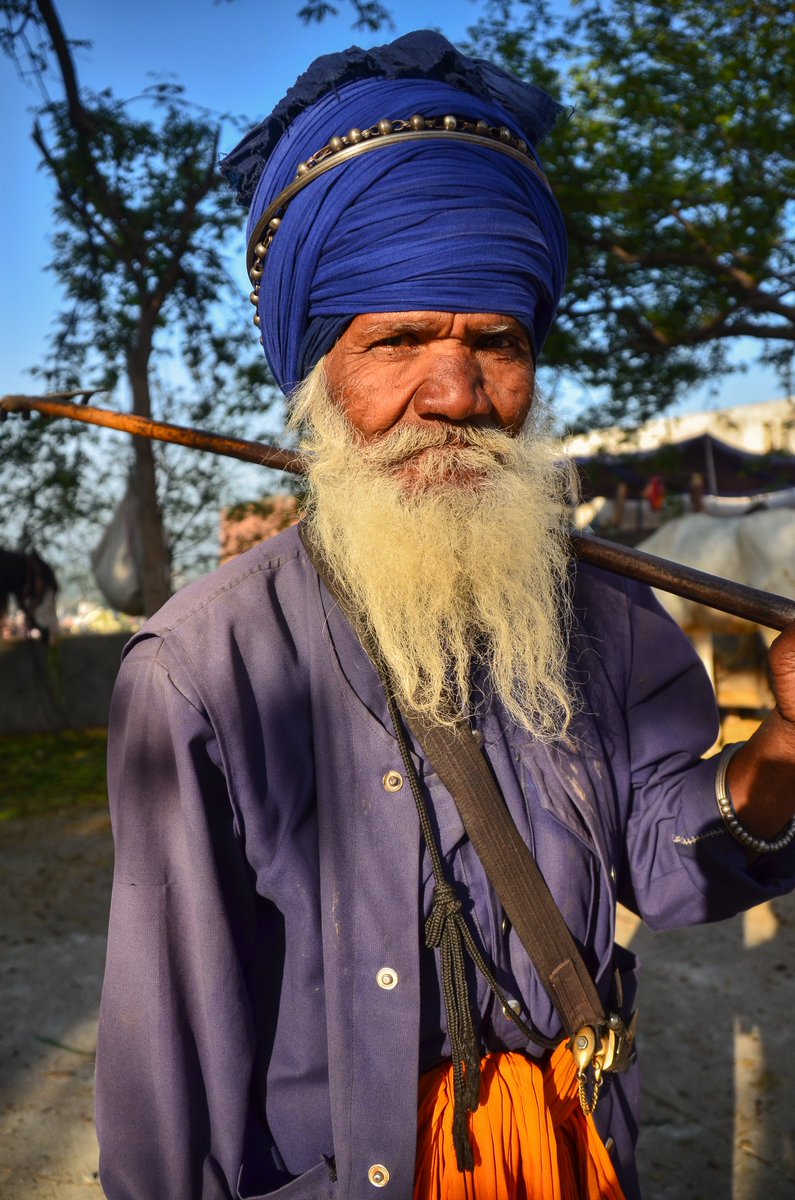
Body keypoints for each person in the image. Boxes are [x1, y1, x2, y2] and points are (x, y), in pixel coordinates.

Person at [95, 30, 795, 1200]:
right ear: (320, 371)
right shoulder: (198, 670)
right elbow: (171, 1072)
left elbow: (672, 868)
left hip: (577, 1148)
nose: (457, 394)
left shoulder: (607, 612)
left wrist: (785, 744)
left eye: (495, 342)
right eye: (401, 340)